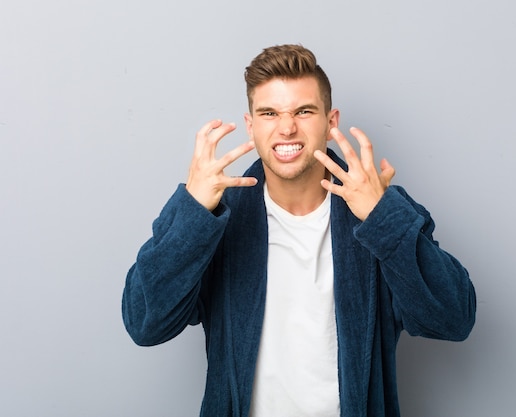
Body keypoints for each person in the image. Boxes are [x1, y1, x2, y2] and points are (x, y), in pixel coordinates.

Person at [122, 44, 476, 417]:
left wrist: (381, 216)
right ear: (251, 126)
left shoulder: (378, 213)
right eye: (269, 113)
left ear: (331, 122)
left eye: (303, 111)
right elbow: (145, 323)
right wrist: (192, 213)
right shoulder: (216, 219)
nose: (286, 127)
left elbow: (453, 320)